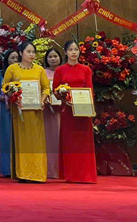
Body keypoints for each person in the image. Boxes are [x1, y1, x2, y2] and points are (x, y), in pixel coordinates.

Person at [3, 41, 50, 182]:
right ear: (20, 53)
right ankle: (23, 173)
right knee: (22, 141)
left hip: (36, 112)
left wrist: (42, 100)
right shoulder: (12, 69)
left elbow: (46, 88)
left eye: (33, 52)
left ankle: (37, 173)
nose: (31, 55)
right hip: (20, 111)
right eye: (28, 52)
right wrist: (12, 94)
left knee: (36, 141)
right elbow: (4, 87)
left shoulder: (39, 70)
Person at [52, 39, 96, 183]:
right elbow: (55, 91)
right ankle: (71, 174)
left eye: (76, 49)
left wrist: (88, 106)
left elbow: (90, 90)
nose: (73, 52)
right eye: (70, 50)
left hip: (83, 111)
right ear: (65, 52)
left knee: (84, 143)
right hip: (68, 111)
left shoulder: (86, 70)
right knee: (70, 142)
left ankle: (86, 175)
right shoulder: (60, 70)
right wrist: (62, 94)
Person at [0, 49, 19, 177]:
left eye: (17, 58)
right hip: (5, 108)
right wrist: (2, 97)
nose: (15, 61)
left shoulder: (21, 73)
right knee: (6, 137)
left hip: (19, 107)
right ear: (6, 60)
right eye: (12, 58)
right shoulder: (0, 74)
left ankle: (19, 167)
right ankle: (6, 169)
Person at [42, 46, 64, 179]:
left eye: (55, 56)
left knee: (60, 139)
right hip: (46, 112)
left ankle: (61, 169)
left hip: (62, 110)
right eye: (50, 57)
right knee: (48, 140)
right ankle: (49, 170)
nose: (53, 59)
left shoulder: (63, 71)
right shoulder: (42, 72)